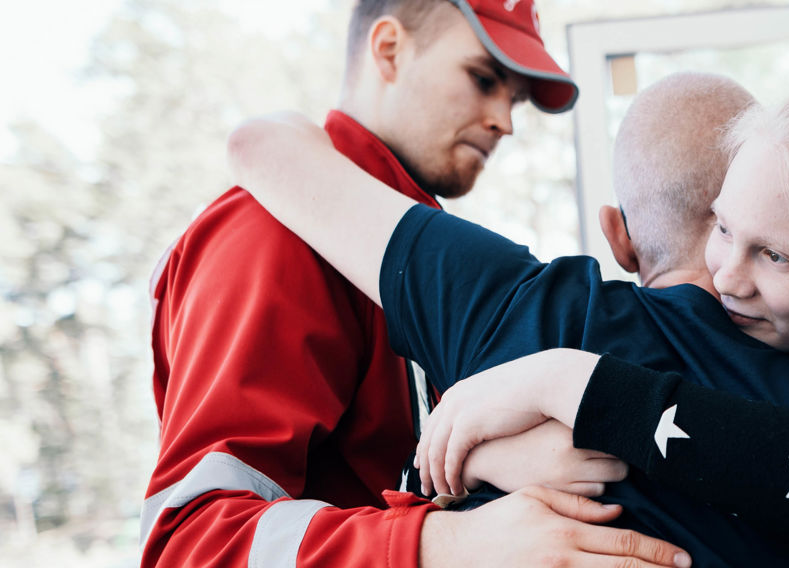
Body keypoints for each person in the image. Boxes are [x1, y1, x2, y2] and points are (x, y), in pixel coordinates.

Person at [226, 79, 789, 564]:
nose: (731, 276)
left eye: (778, 257)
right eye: (728, 230)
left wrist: (552, 392)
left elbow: (262, 146)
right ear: (729, 193)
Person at [140, 1, 691, 566]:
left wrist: (472, 465)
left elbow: (368, 472)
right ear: (389, 50)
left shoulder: (426, 261)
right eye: (483, 79)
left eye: (516, 99)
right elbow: (190, 542)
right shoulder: (272, 231)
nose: (505, 118)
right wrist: (454, 542)